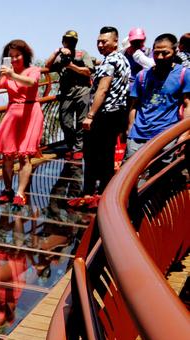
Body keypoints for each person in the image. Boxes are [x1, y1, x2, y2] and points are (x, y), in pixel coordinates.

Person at [71, 27, 130, 208]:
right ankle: (104, 192)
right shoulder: (122, 59)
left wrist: (90, 115)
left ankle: (90, 193)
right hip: (118, 112)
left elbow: (103, 89)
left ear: (115, 42)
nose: (100, 44)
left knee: (92, 154)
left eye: (104, 41)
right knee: (107, 153)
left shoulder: (109, 62)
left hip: (104, 114)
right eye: (98, 41)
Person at [0, 39, 44, 207]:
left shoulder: (33, 70)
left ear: (25, 55)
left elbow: (31, 83)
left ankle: (20, 193)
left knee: (24, 156)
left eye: (17, 56)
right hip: (13, 113)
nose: (14, 60)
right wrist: (2, 74)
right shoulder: (7, 74)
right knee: (7, 155)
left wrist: (12, 75)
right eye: (10, 56)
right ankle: (7, 189)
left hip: (30, 113)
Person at [125, 33, 190, 161]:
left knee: (162, 178)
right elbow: (134, 106)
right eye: (156, 53)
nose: (160, 57)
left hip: (167, 137)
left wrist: (184, 134)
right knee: (132, 177)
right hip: (138, 138)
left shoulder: (184, 74)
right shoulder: (142, 76)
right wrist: (130, 131)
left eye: (165, 53)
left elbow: (188, 105)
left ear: (175, 51)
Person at [45, 30, 95, 160]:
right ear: (63, 41)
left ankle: (78, 149)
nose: (70, 42)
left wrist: (72, 66)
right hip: (66, 94)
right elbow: (47, 66)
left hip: (82, 91)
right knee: (65, 121)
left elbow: (88, 71)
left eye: (73, 40)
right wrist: (57, 51)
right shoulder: (60, 57)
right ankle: (71, 146)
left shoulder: (82, 54)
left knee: (80, 122)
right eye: (68, 40)